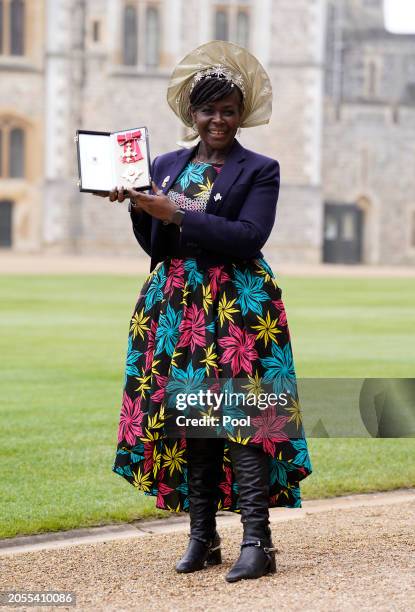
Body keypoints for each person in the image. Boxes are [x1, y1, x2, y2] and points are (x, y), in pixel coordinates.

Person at [108, 41, 312, 583]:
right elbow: (157, 243)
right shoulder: (167, 164)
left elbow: (249, 237)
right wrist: (138, 206)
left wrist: (174, 211)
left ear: (241, 115)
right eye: (207, 110)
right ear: (190, 114)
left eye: (227, 110)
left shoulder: (260, 169)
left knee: (243, 417)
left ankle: (257, 542)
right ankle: (203, 536)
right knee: (193, 417)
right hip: (175, 305)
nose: (217, 119)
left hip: (238, 306)